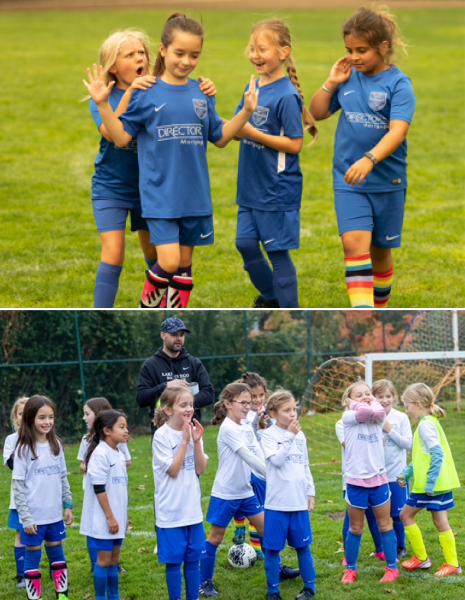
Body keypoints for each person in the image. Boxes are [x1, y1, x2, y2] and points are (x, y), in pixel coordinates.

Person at [83, 12, 258, 309]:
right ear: (164, 51)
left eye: (194, 55)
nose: (187, 61)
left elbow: (219, 136)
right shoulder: (144, 94)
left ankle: (171, 316)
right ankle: (139, 310)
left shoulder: (202, 92)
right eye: (180, 53)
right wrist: (102, 102)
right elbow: (119, 136)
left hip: (192, 196)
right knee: (164, 259)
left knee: (181, 265)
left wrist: (245, 112)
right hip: (147, 192)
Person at [310, 6, 416, 308]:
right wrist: (330, 82)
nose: (354, 57)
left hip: (387, 182)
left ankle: (379, 308)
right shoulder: (347, 78)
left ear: (383, 47)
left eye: (362, 50)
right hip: (349, 179)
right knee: (353, 243)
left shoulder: (399, 84)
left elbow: (398, 132)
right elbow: (317, 113)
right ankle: (362, 308)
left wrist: (370, 158)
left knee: (381, 251)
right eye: (349, 49)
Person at [234, 18, 317, 309]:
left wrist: (252, 133)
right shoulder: (254, 85)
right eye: (252, 48)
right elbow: (236, 126)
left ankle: (289, 308)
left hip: (276, 189)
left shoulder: (287, 95)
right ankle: (270, 298)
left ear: (283, 52)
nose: (255, 55)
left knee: (277, 253)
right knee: (244, 244)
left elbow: (295, 144)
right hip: (250, 187)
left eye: (263, 49)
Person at [200, 382, 267, 597]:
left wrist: (270, 472)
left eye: (250, 402)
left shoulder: (246, 425)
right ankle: (204, 582)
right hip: (226, 493)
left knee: (267, 530)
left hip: (245, 491)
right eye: (243, 402)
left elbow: (258, 452)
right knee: (216, 538)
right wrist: (273, 477)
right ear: (228, 404)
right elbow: (246, 455)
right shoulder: (228, 428)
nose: (248, 406)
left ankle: (278, 568)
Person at [12, 395, 73, 600]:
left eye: (51, 417)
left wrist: (68, 504)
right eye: (41, 418)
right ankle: (34, 597)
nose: (47, 422)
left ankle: (62, 596)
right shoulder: (23, 448)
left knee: (58, 556)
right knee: (33, 557)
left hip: (54, 516)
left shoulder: (56, 444)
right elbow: (18, 487)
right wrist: (26, 518)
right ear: (30, 418)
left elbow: (63, 476)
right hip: (33, 519)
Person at [398, 383, 461, 577]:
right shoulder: (431, 421)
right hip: (441, 483)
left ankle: (422, 558)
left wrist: (430, 483)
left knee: (405, 516)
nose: (406, 410)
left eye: (407, 405)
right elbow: (422, 457)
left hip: (429, 486)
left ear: (417, 404)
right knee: (440, 521)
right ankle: (452, 564)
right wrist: (407, 473)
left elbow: (437, 454)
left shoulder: (425, 425)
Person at [340, 380, 399, 584]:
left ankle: (392, 568)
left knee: (385, 524)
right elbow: (363, 413)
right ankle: (351, 569)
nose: (366, 396)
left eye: (368, 393)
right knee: (355, 528)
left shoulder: (378, 416)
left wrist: (370, 400)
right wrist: (357, 404)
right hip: (356, 481)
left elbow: (379, 412)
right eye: (359, 395)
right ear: (349, 401)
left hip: (379, 480)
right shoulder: (348, 417)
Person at [152, 385, 208, 600]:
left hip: (192, 510)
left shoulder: (193, 432)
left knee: (194, 561)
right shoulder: (161, 436)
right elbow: (174, 470)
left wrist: (196, 441)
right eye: (183, 405)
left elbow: (200, 469)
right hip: (171, 512)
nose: (189, 409)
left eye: (191, 405)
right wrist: (185, 441)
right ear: (168, 410)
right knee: (174, 563)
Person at [259, 389, 316, 600]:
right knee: (273, 550)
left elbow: (305, 465)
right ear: (273, 414)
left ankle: (310, 588)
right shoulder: (268, 436)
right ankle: (273, 591)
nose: (293, 414)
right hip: (277, 504)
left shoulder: (300, 435)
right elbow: (277, 461)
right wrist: (290, 436)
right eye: (286, 410)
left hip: (298, 502)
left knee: (303, 546)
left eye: (294, 409)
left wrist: (310, 491)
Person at [77, 397, 132, 573]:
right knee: (97, 528)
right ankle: (98, 564)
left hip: (112, 490)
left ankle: (109, 563)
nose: (85, 418)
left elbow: (126, 460)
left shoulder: (117, 443)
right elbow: (83, 464)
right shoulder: (89, 442)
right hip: (97, 490)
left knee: (111, 531)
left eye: (87, 414)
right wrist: (90, 465)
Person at [137, 317, 215, 434]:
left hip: (191, 430)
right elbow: (141, 399)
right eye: (174, 335)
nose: (179, 338)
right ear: (163, 335)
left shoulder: (194, 363)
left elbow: (209, 394)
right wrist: (166, 386)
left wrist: (184, 403)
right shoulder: (151, 365)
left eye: (182, 335)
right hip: (162, 431)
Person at [335, 410, 385, 566]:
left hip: (374, 479)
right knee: (352, 520)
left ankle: (380, 550)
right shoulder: (342, 423)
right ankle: (347, 554)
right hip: (353, 479)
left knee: (374, 517)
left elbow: (380, 443)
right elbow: (350, 445)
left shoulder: (374, 423)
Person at [373, 378, 412, 558]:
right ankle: (382, 548)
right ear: (373, 398)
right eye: (380, 396)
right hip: (376, 476)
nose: (384, 400)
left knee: (398, 514)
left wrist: (389, 430)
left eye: (388, 396)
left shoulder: (401, 418)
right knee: (380, 516)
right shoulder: (369, 418)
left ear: (394, 397)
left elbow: (408, 444)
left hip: (397, 475)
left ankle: (400, 546)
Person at [3, 396, 28, 589]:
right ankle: (21, 575)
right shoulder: (12, 440)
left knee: (45, 535)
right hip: (21, 499)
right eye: (21, 413)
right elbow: (11, 464)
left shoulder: (44, 438)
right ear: (16, 417)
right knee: (20, 534)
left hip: (43, 498)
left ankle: (52, 568)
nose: (25, 416)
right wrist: (24, 439)